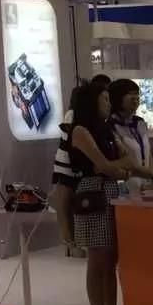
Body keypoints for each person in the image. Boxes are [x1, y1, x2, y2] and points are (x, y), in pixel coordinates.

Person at [69, 81, 153, 305]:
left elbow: (125, 161)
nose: (108, 104)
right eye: (104, 99)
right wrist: (118, 167)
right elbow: (105, 166)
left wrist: (119, 168)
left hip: (110, 192)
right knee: (98, 261)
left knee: (110, 261)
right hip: (92, 196)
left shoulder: (105, 129)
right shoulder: (80, 131)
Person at [51, 75, 111, 257]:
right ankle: (69, 242)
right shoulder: (74, 117)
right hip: (66, 164)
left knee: (72, 203)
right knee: (65, 203)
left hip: (75, 165)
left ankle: (75, 241)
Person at [109, 79, 153, 194]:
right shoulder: (111, 126)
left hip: (147, 187)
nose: (135, 97)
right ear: (117, 97)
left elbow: (148, 153)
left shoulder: (140, 123)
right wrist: (150, 173)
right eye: (129, 94)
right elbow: (122, 161)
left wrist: (152, 179)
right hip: (125, 188)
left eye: (136, 93)